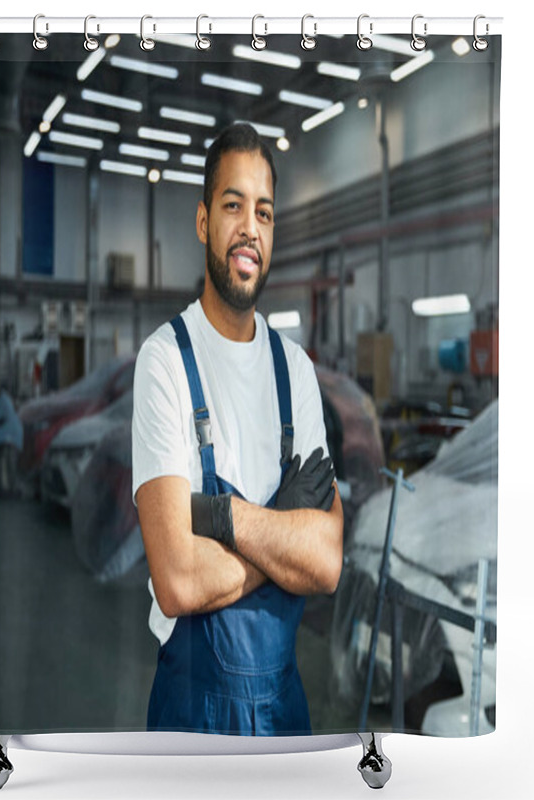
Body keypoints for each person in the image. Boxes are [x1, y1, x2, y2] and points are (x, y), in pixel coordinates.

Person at [131, 123, 344, 736]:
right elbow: (177, 580)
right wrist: (283, 529)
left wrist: (222, 519)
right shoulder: (166, 361)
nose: (250, 227)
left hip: (284, 711)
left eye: (265, 212)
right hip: (191, 713)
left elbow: (327, 562)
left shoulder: (294, 371)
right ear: (203, 222)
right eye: (233, 206)